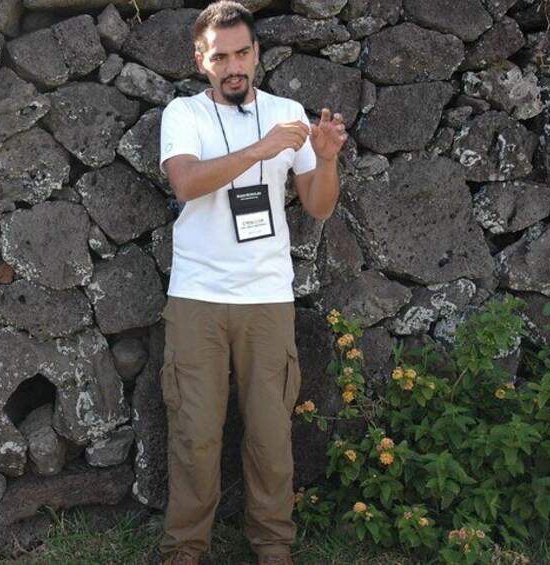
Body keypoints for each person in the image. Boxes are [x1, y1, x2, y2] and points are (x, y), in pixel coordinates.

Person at [157, 2, 348, 564]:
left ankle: (273, 547)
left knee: (270, 435)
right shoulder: (183, 114)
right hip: (198, 297)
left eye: (243, 52)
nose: (234, 65)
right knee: (195, 436)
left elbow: (318, 206)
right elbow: (187, 183)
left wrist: (328, 158)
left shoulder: (288, 112)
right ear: (201, 61)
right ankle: (185, 550)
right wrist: (262, 149)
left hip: (267, 296)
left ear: (257, 52)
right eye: (221, 56)